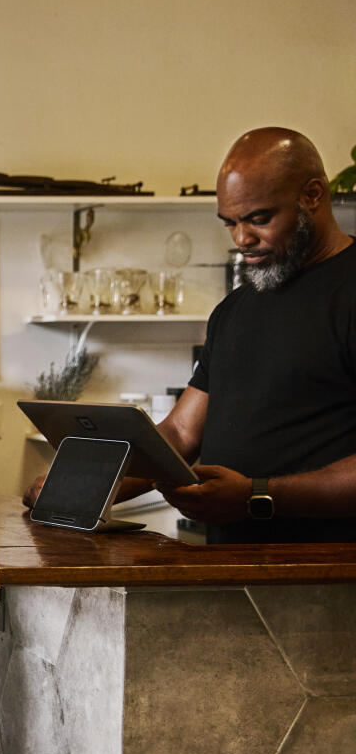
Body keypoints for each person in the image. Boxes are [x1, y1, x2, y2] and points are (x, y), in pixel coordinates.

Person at [24, 127, 356, 543]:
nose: (242, 239)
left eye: (259, 219)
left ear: (312, 195)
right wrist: (82, 487)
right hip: (230, 570)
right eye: (230, 223)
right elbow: (180, 436)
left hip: (329, 575)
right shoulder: (233, 311)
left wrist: (258, 496)